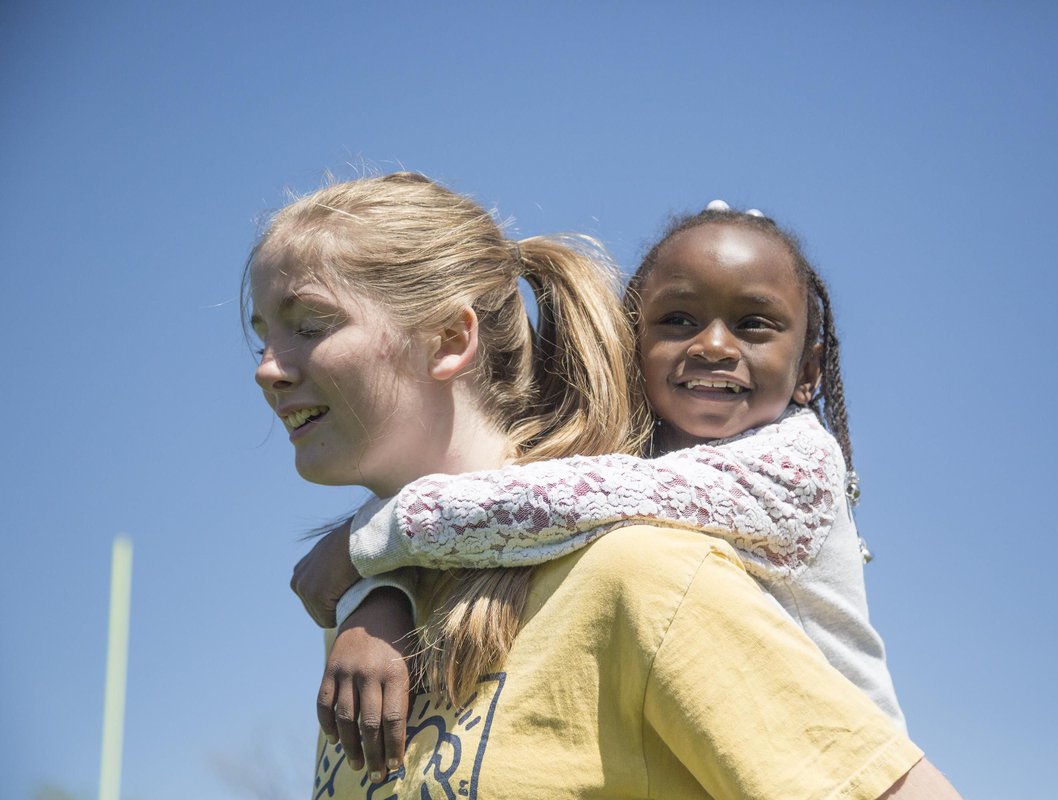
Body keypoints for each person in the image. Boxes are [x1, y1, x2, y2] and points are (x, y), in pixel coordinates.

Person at [249, 172, 959, 798]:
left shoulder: (652, 561)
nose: (268, 369)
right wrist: (379, 588)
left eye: (311, 324)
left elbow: (587, 498)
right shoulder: (370, 619)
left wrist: (372, 542)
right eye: (677, 320)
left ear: (449, 340)